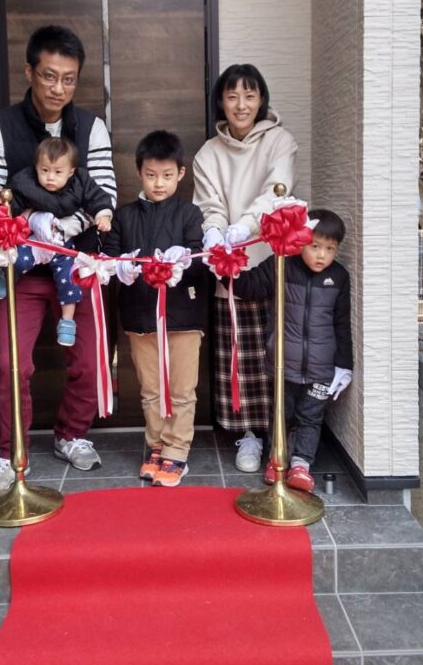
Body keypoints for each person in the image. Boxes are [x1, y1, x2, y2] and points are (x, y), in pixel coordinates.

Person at [0, 24, 116, 496]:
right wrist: (32, 222)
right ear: (29, 72)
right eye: (49, 76)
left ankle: (71, 434)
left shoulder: (92, 128)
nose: (59, 88)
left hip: (76, 265)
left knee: (91, 361)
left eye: (69, 79)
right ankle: (9, 452)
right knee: (11, 364)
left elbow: (105, 194)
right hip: (22, 269)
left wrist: (64, 228)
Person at [192, 64, 297, 472]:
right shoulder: (207, 154)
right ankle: (248, 435)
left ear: (261, 100)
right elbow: (210, 205)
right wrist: (216, 233)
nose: (241, 104)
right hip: (230, 265)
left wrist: (245, 227)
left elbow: (277, 192)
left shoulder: (280, 140)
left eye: (249, 96)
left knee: (277, 351)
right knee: (240, 356)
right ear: (220, 101)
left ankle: (283, 434)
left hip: (271, 260)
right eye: (232, 96)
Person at [102, 131, 207, 487]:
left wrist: (184, 259)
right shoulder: (124, 216)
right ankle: (156, 446)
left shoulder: (190, 213)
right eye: (150, 175)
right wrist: (123, 267)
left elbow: (200, 257)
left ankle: (177, 450)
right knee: (150, 389)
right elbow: (110, 257)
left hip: (183, 318)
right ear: (139, 173)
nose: (158, 183)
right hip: (140, 316)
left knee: (181, 390)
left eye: (166, 175)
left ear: (180, 174)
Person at [232, 209, 353, 491]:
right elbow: (248, 287)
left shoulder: (339, 277)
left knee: (311, 417)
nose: (321, 255)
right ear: (300, 241)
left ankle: (301, 465)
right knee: (281, 414)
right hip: (283, 362)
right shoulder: (282, 264)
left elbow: (342, 323)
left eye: (330, 249)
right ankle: (277, 460)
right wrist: (227, 266)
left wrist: (344, 365)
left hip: (322, 368)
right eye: (315, 246)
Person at [0, 136, 113, 350]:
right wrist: (1, 200)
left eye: (58, 172)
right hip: (35, 239)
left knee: (69, 279)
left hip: (62, 243)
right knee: (18, 258)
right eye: (44, 170)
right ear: (36, 167)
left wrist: (103, 215)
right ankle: (5, 275)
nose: (50, 177)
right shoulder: (25, 181)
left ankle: (67, 321)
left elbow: (98, 198)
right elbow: (13, 203)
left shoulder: (81, 182)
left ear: (71, 172)